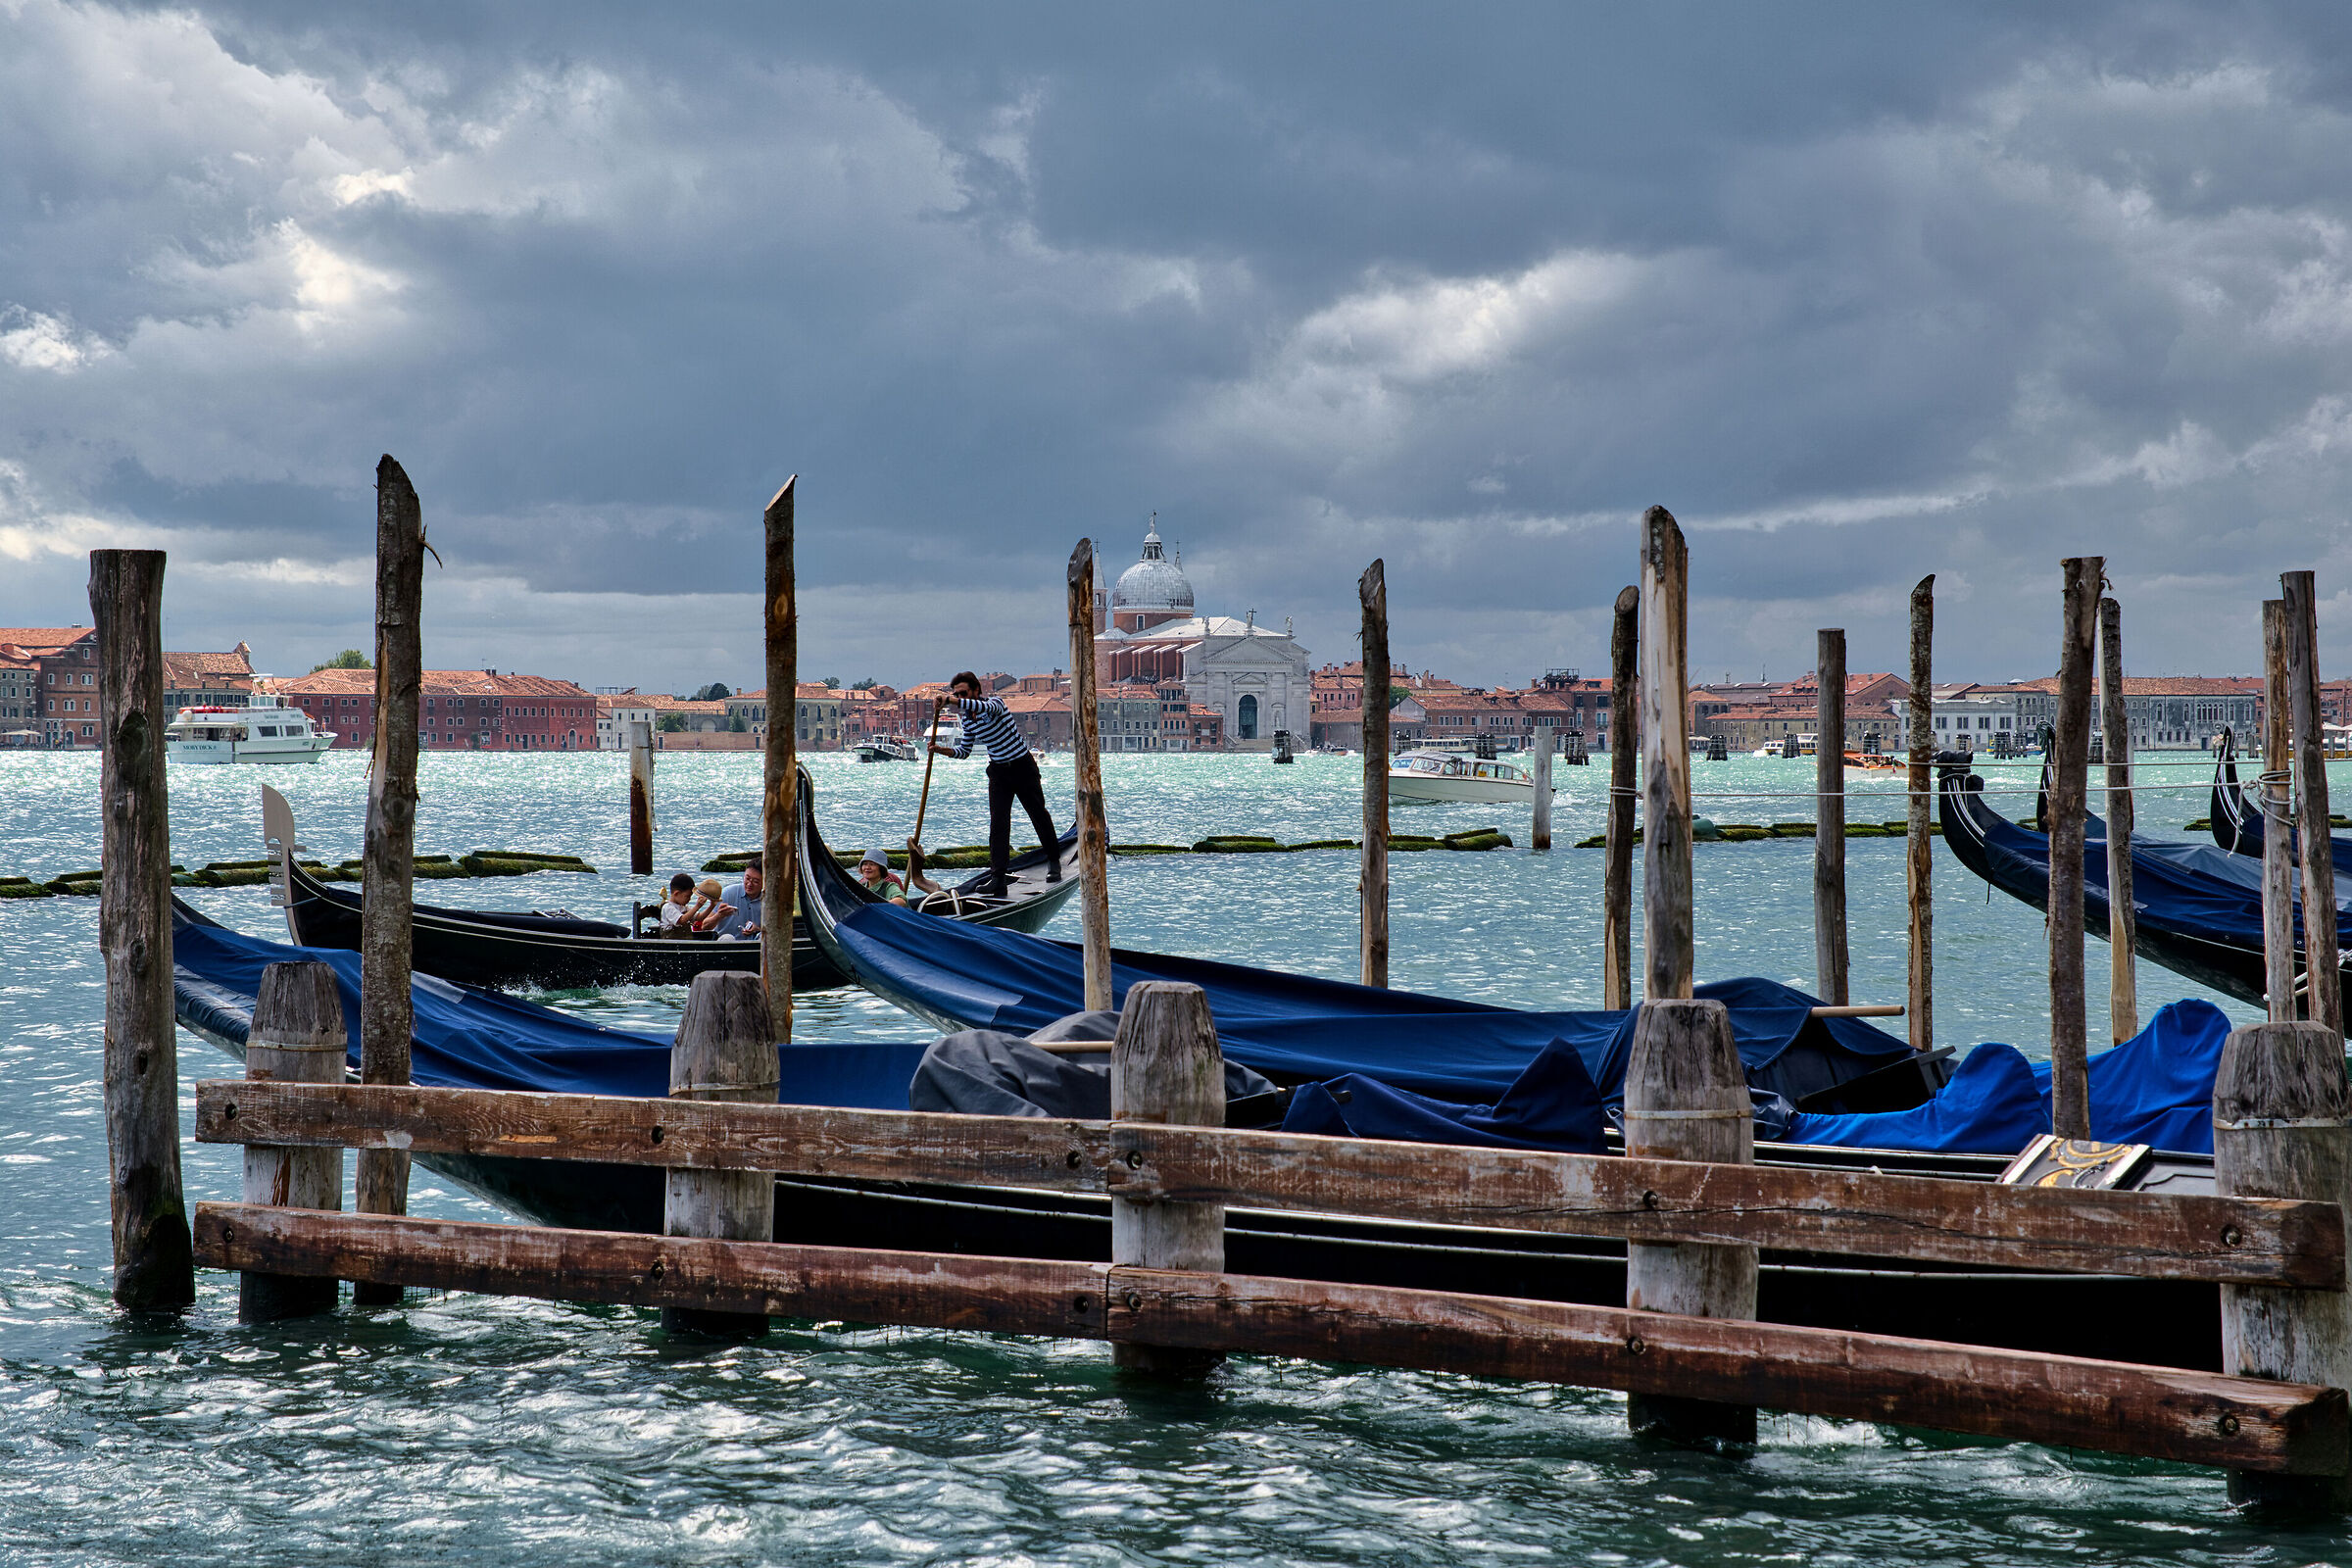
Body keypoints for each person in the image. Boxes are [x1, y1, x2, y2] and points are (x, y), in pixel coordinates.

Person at [934, 670, 1060, 896]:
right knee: (998, 824)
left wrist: (950, 700)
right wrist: (942, 751)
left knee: (1038, 814)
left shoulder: (995, 704)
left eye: (963, 693)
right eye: (956, 694)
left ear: (976, 691)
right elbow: (964, 751)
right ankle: (998, 877)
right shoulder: (966, 718)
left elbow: (986, 709)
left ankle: (1053, 861)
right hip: (999, 772)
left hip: (1022, 766)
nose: (959, 698)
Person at [856, 847, 942, 906]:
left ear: (881, 868)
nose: (867, 868)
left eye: (872, 864)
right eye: (865, 864)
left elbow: (901, 900)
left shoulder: (889, 887)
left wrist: (877, 908)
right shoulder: (860, 887)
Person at [712, 856, 762, 941]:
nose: (749, 884)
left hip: (754, 946)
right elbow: (704, 926)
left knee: (764, 936)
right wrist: (718, 916)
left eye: (755, 881)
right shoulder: (728, 893)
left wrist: (757, 929)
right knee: (728, 938)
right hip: (726, 944)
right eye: (747, 878)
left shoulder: (769, 900)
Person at [655, 871, 696, 936]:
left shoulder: (684, 907)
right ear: (676, 893)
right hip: (671, 943)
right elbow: (681, 920)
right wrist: (697, 906)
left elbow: (699, 917)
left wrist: (712, 906)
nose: (689, 899)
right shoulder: (668, 907)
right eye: (687, 896)